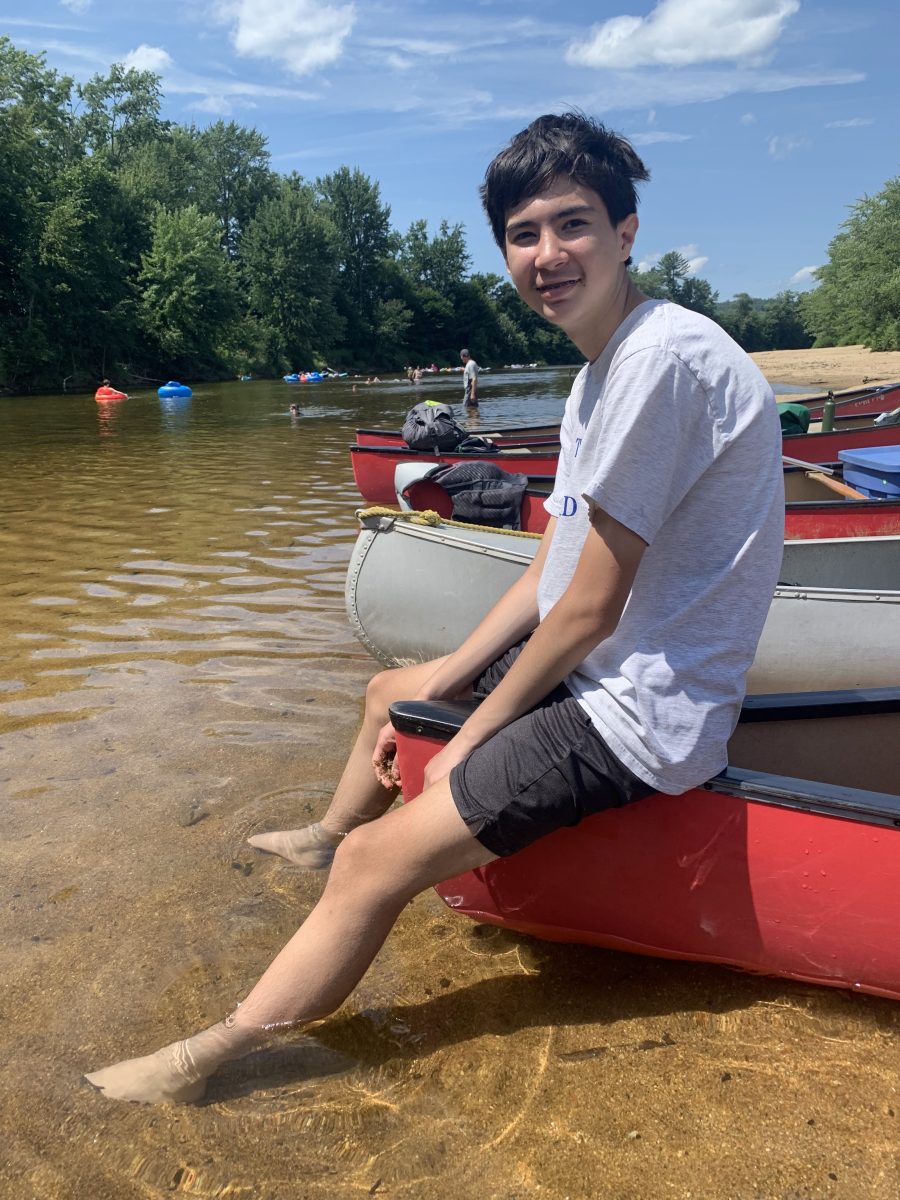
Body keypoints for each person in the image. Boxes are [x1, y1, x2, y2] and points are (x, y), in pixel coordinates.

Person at [84, 111, 783, 1105]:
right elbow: (551, 571)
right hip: (598, 666)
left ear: (626, 232)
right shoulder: (599, 374)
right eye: (524, 234)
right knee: (391, 691)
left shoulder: (660, 361)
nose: (548, 254)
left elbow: (587, 610)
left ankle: (207, 1060)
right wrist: (442, 685)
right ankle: (323, 837)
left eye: (573, 224)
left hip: (643, 710)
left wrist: (467, 741)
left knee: (379, 864)